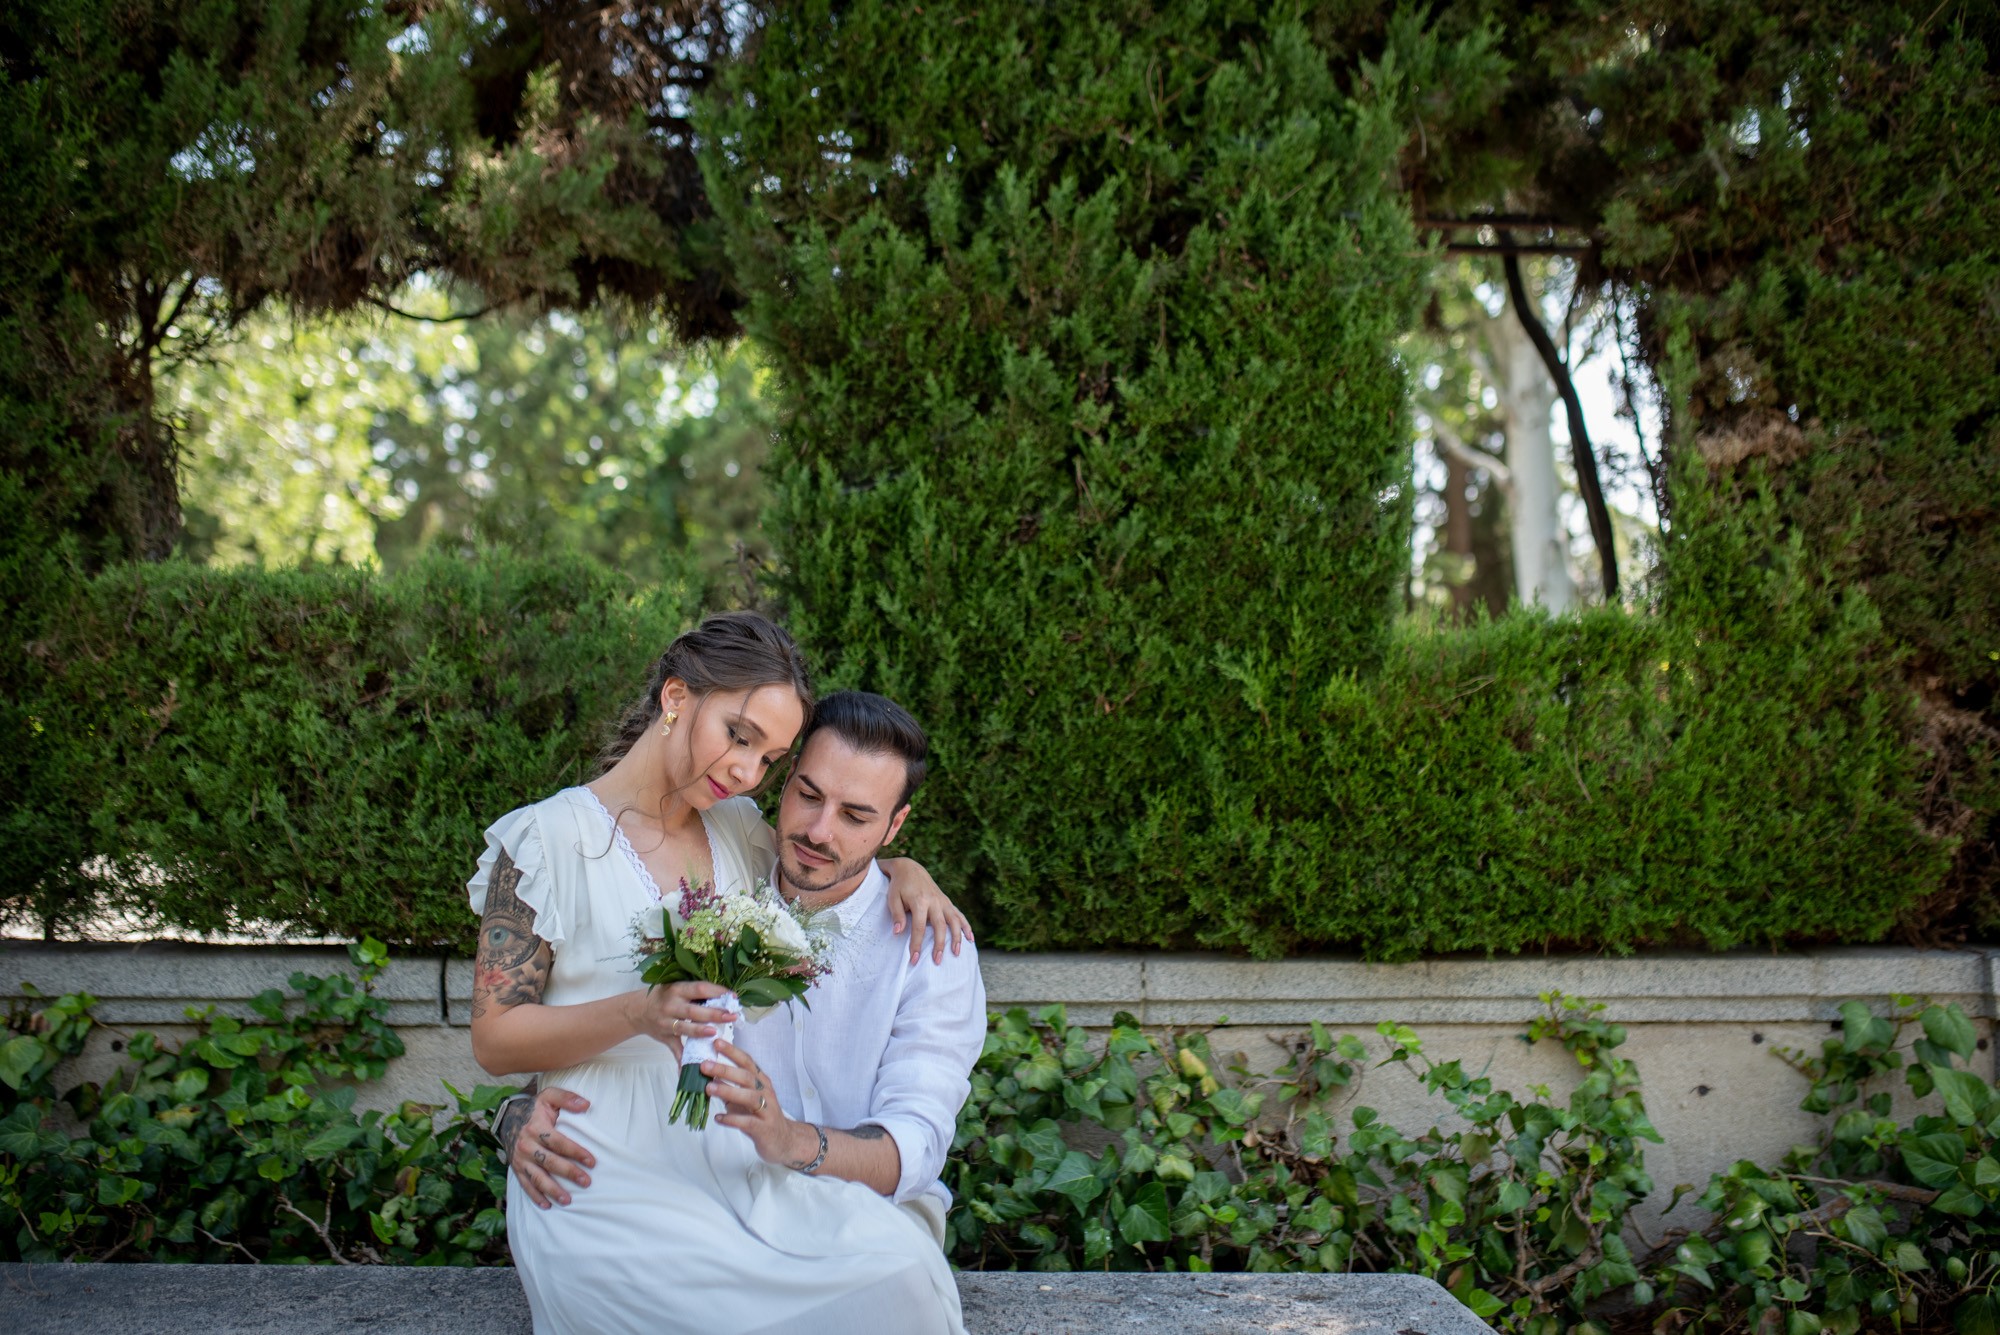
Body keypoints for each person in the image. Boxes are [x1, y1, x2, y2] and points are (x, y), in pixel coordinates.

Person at [467, 614, 979, 1335]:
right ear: (676, 697)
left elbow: (828, 864)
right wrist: (633, 1020)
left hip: (725, 1158)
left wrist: (906, 869)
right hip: (594, 1163)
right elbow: (493, 1039)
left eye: (768, 757)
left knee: (904, 1273)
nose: (746, 770)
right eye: (739, 735)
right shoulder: (545, 840)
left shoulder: (735, 829)